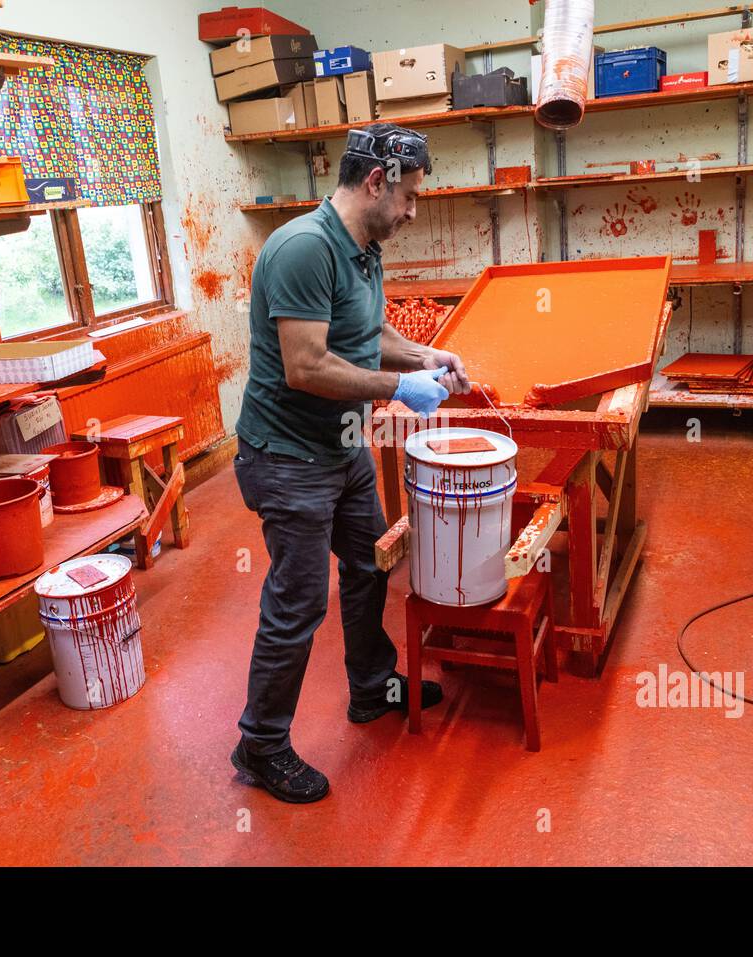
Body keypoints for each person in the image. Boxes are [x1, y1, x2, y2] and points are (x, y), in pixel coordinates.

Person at [230, 124, 470, 803]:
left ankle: (370, 687)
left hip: (341, 449)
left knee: (369, 564)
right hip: (287, 457)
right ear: (375, 183)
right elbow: (306, 366)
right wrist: (399, 389)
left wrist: (425, 357)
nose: (413, 211)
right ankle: (261, 744)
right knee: (298, 601)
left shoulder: (365, 250)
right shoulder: (303, 249)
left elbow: (367, 334)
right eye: (410, 198)